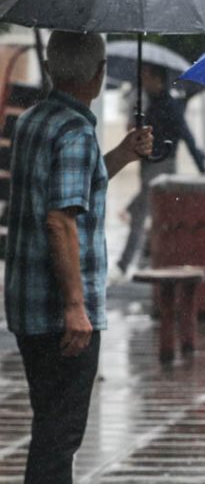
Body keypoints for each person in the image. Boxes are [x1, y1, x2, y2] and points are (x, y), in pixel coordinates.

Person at [5, 31, 153, 483]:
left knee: (49, 424)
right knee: (60, 436)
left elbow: (71, 186)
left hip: (27, 303)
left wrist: (122, 154)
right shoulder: (76, 131)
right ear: (99, 73)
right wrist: (75, 306)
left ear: (50, 68)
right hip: (60, 313)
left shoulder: (33, 120)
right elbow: (60, 220)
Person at [117, 63, 205, 273]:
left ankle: (127, 262)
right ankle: (144, 258)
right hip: (149, 165)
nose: (143, 81)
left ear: (157, 79)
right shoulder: (150, 103)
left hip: (161, 166)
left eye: (146, 77)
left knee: (142, 215)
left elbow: (186, 135)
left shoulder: (169, 105)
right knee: (149, 213)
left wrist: (202, 166)